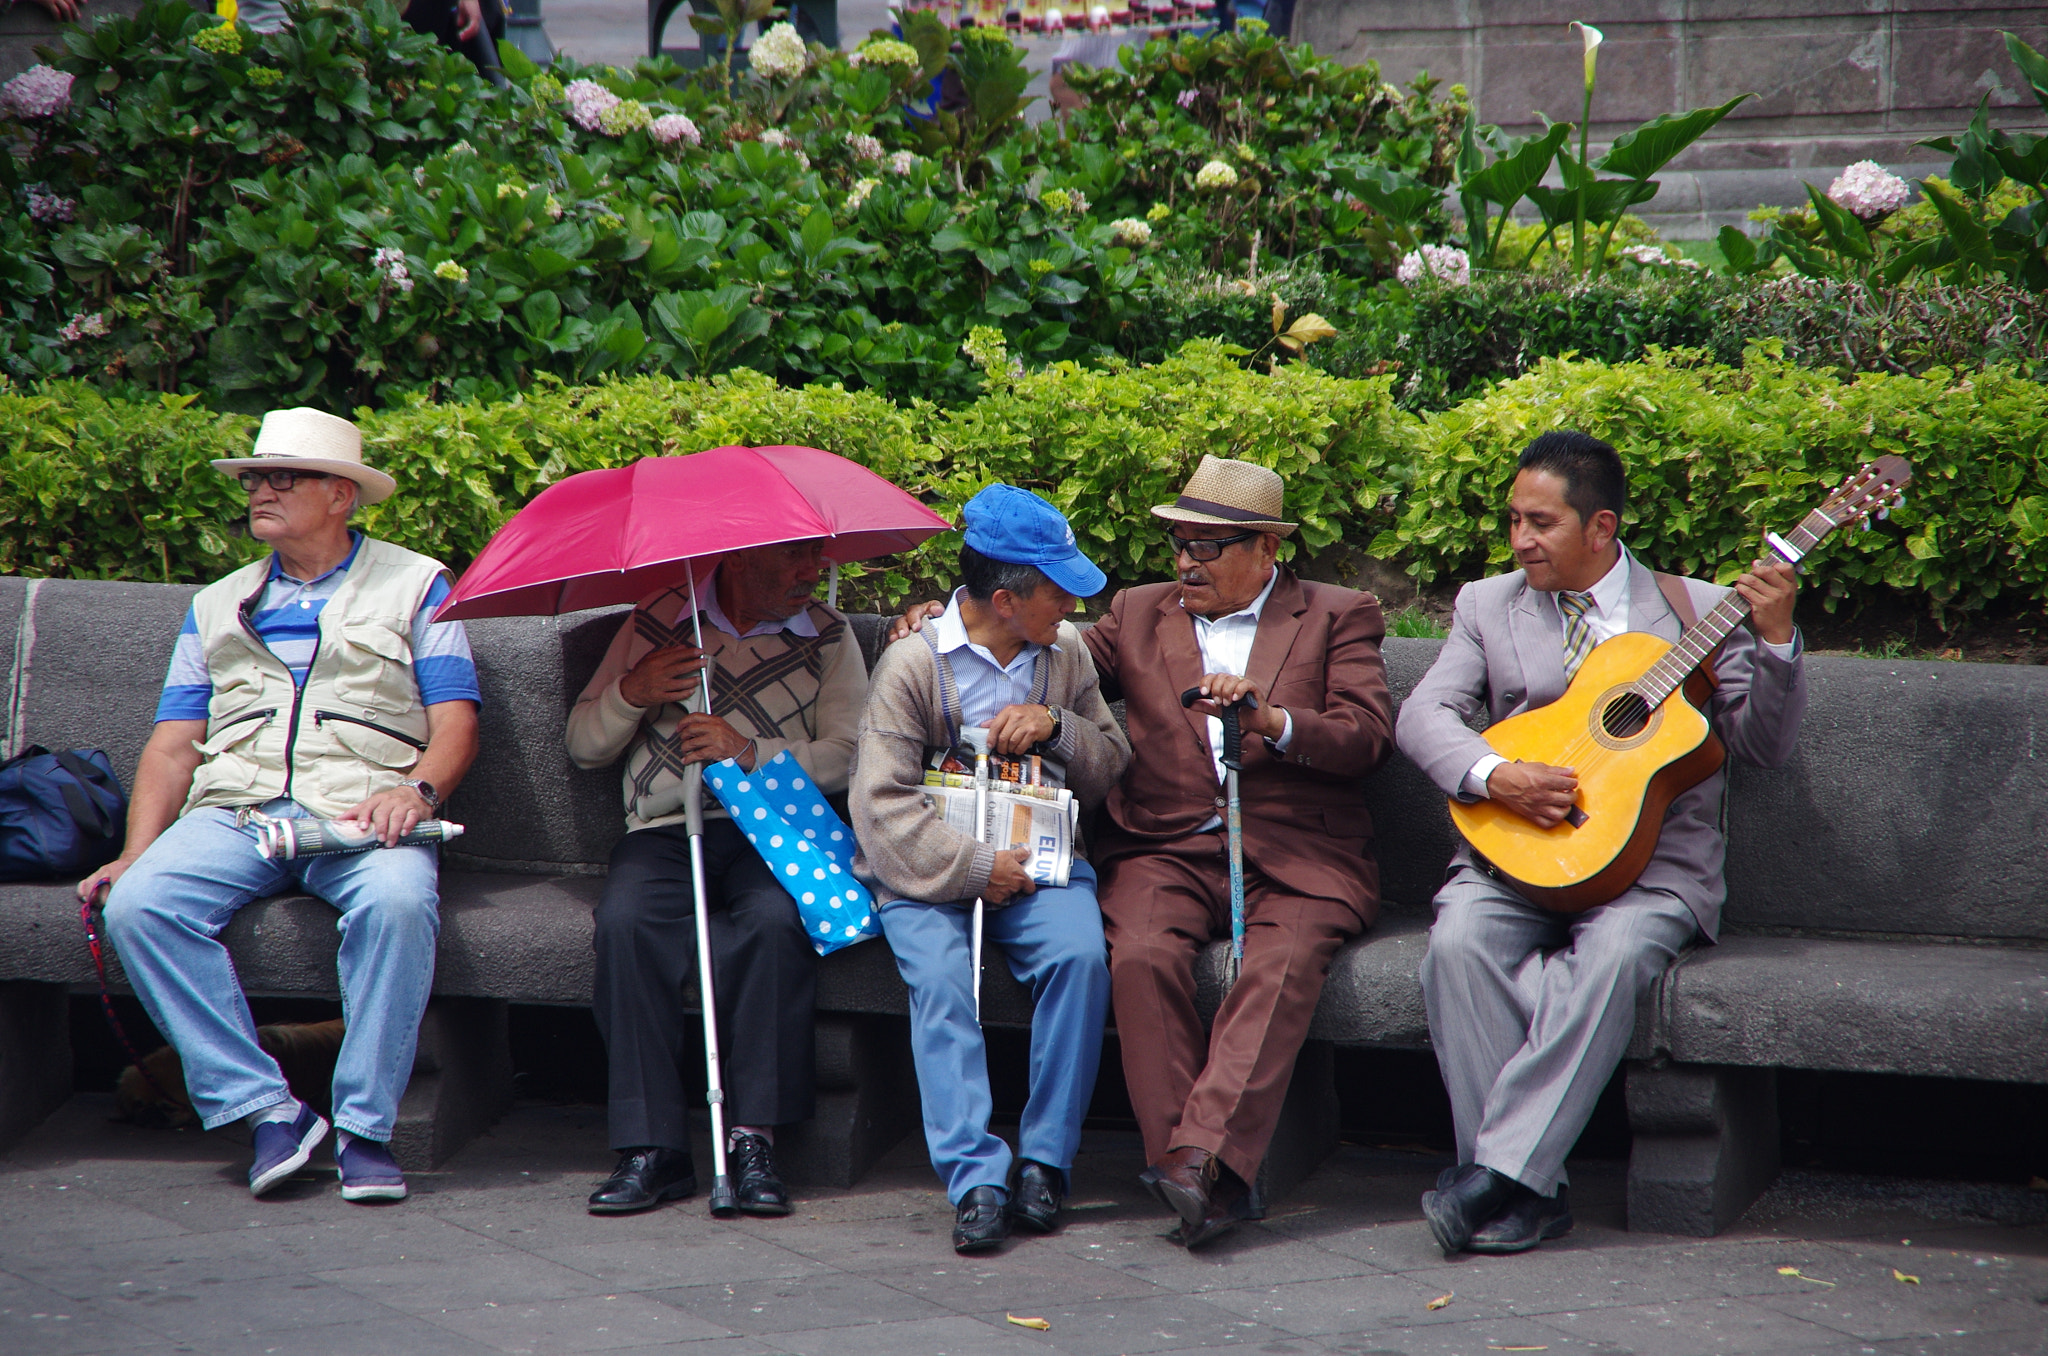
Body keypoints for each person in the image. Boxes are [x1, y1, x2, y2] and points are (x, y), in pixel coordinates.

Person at [891, 456, 1394, 1247]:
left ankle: (1204, 1165)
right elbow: (1034, 638)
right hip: (1166, 846)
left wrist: (1271, 722)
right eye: (1180, 544)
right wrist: (945, 618)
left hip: (1301, 850)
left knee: (1283, 959)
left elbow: (1366, 739)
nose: (1186, 562)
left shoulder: (1338, 613)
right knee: (1138, 954)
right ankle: (1185, 1170)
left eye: (1208, 546)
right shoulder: (1136, 611)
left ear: (1267, 550)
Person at [1397, 430, 1807, 1256]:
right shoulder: (1487, 604)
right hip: (1512, 850)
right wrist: (1492, 774)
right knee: (1458, 945)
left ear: (1602, 528)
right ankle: (1530, 1188)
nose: (1519, 540)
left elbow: (1761, 747)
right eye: (1513, 520)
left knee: (1612, 957)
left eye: (1540, 523)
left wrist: (1773, 638)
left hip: (1649, 867)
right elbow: (1423, 716)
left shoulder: (1693, 610)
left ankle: (1497, 1179)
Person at [78, 408, 482, 1203]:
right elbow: (171, 744)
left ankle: (365, 1128)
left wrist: (417, 790)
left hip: (365, 813)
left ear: (341, 495)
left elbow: (458, 722)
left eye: (282, 477)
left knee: (400, 902)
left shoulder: (417, 584)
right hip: (238, 809)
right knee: (140, 904)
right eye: (255, 477)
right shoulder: (215, 603)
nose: (260, 490)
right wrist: (135, 853)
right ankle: (268, 1110)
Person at [851, 485, 1129, 1254]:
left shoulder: (1064, 655)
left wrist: (1060, 726)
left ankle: (1045, 1161)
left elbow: (1111, 767)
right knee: (939, 981)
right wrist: (974, 869)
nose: (1071, 608)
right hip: (932, 875)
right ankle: (975, 1177)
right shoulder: (912, 665)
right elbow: (879, 807)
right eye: (1058, 591)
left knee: (1079, 959)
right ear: (1005, 599)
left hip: (1039, 864)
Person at [567, 540, 868, 1217]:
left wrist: (749, 752)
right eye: (793, 561)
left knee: (773, 921)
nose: (810, 575)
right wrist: (631, 693)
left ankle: (753, 1141)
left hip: (773, 831)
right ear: (737, 562)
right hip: (668, 830)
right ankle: (653, 1150)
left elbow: (852, 755)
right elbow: (584, 745)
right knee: (626, 921)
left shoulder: (827, 633)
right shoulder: (658, 619)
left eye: (815, 561)